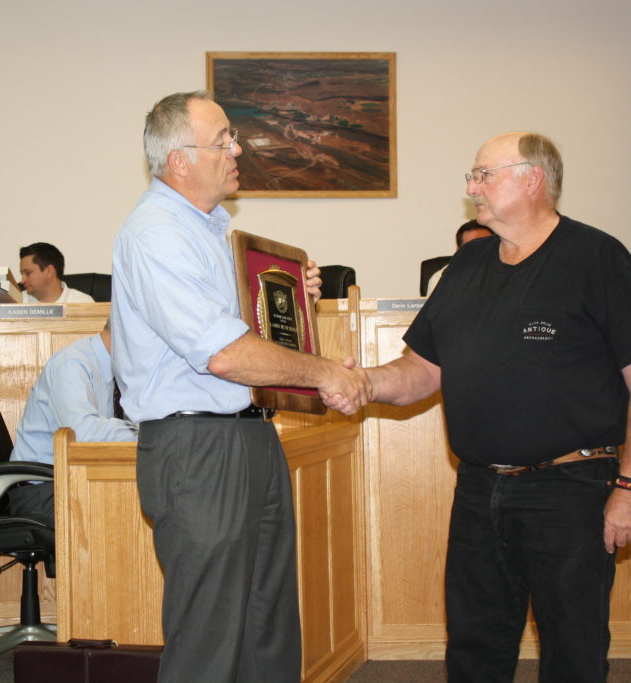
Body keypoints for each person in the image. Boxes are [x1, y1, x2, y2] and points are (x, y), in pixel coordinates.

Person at [344, 132, 631, 682]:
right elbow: (421, 371)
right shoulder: (468, 265)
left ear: (532, 179)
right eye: (472, 176)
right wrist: (362, 383)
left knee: (572, 650)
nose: (471, 186)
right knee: (474, 646)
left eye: (483, 174)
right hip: (478, 490)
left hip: (571, 490)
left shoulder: (596, 256)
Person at [111, 90, 370, 683]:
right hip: (198, 449)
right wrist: (328, 373)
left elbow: (244, 336)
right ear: (179, 159)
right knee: (211, 637)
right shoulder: (156, 233)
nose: (238, 147)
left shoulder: (212, 233)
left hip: (249, 437)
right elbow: (224, 355)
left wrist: (286, 297)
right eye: (224, 137)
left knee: (267, 627)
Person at [7, 320, 136, 525]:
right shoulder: (73, 364)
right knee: (129, 515)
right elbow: (82, 435)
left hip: (67, 482)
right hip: (41, 491)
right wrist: (150, 434)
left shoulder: (108, 370)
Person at [425, 219, 495, 294]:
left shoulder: (506, 273)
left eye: (484, 245)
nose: (479, 252)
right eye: (471, 247)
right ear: (459, 251)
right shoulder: (440, 279)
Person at [19, 241, 95, 303]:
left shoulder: (82, 303)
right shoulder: (17, 302)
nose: (22, 281)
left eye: (28, 273)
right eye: (22, 274)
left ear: (49, 271)